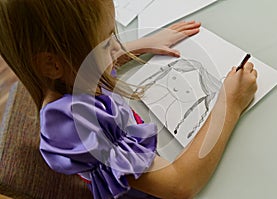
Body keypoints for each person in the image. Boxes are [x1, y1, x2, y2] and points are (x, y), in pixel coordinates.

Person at [0, 1, 257, 199]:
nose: (117, 46)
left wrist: (144, 44)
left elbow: (90, 59)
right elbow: (180, 185)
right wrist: (229, 102)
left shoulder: (72, 72)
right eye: (107, 42)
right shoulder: (76, 128)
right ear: (52, 64)